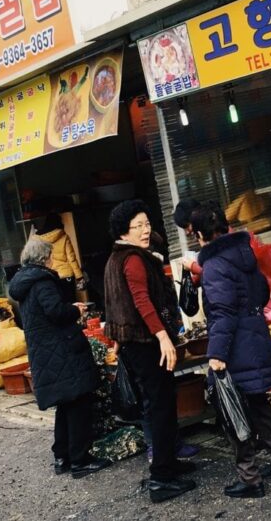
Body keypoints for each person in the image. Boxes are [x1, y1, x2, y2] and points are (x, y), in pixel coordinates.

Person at [190, 201, 271, 499]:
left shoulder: (213, 265)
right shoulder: (244, 252)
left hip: (235, 348)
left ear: (199, 234)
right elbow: (262, 292)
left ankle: (250, 479)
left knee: (232, 411)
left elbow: (222, 313)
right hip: (257, 336)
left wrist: (217, 354)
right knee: (260, 406)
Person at [103, 200, 196, 504]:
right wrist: (162, 337)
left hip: (134, 343)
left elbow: (115, 303)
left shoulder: (117, 258)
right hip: (146, 343)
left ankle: (168, 463)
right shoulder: (132, 260)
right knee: (159, 405)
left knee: (162, 402)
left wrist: (117, 339)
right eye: (138, 226)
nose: (145, 230)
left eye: (147, 223)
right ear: (123, 232)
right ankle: (161, 480)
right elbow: (141, 301)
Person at [8, 237, 110, 478]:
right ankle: (80, 460)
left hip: (46, 352)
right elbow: (55, 312)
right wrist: (76, 309)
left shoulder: (24, 283)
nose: (54, 260)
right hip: (61, 350)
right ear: (44, 259)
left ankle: (62, 456)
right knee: (77, 404)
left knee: (65, 405)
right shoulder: (42, 281)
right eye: (51, 256)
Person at [34, 214, 84, 300]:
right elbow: (71, 258)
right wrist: (79, 276)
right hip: (66, 275)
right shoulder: (63, 236)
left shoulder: (37, 239)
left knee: (58, 303)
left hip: (50, 276)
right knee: (71, 302)